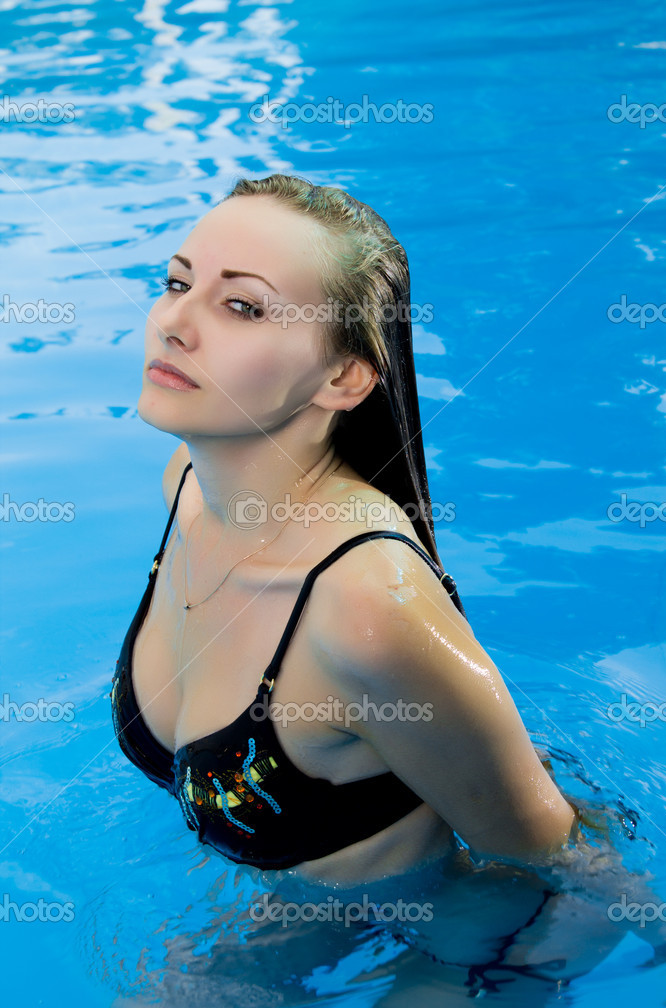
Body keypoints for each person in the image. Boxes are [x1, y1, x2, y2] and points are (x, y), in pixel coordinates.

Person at [110, 172, 578, 888]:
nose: (174, 322)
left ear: (344, 379)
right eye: (177, 283)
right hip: (286, 917)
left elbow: (557, 863)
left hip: (464, 937)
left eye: (242, 305)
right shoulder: (185, 486)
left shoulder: (366, 606)